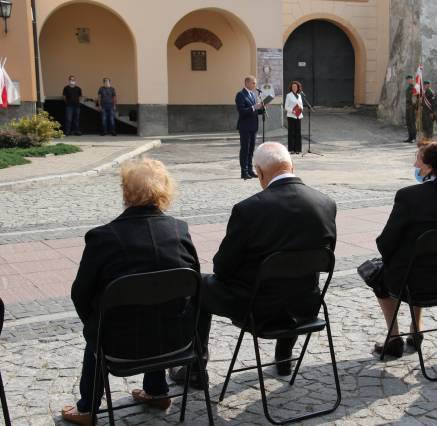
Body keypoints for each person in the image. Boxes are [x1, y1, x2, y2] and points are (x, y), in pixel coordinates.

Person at [61, 159, 204, 425]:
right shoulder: (179, 230)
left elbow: (80, 294)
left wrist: (97, 323)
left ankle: (87, 408)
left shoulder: (102, 237)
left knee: (100, 324)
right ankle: (157, 390)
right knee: (159, 306)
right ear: (165, 190)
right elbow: (193, 284)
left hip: (118, 344)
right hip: (177, 340)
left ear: (125, 191)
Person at [199, 142, 337, 375]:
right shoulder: (326, 203)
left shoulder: (249, 209)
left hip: (257, 309)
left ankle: (195, 368)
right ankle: (284, 358)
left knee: (198, 285)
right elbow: (325, 256)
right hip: (305, 306)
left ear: (260, 172)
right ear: (291, 165)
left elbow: (222, 267)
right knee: (294, 277)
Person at [368, 142, 437, 357]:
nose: (414, 164)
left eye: (417, 159)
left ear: (428, 167)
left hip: (415, 281)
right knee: (417, 261)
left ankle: (393, 338)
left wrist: (393, 257)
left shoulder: (409, 196)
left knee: (378, 272)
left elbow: (385, 242)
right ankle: (416, 330)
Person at [236, 75, 265, 180]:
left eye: (255, 83)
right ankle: (243, 172)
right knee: (245, 149)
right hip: (245, 126)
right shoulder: (240, 95)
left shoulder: (253, 95)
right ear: (247, 83)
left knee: (251, 149)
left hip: (253, 126)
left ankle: (250, 170)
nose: (255, 85)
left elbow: (255, 111)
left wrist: (262, 107)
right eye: (253, 83)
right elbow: (242, 111)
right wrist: (254, 107)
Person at [285, 80, 304, 154]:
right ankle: (291, 149)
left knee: (298, 132)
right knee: (291, 133)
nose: (294, 88)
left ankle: (298, 149)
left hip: (298, 116)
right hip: (291, 116)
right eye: (293, 87)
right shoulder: (288, 95)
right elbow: (286, 107)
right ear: (291, 88)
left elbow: (301, 104)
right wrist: (292, 111)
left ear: (298, 87)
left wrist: (301, 108)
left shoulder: (299, 95)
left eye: (295, 87)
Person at [404, 75, 417, 143]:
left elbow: (416, 99)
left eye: (410, 79)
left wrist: (415, 108)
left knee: (412, 123)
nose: (408, 80)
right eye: (407, 79)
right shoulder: (408, 88)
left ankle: (414, 138)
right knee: (408, 122)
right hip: (408, 107)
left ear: (412, 79)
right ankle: (410, 137)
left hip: (412, 108)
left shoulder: (415, 87)